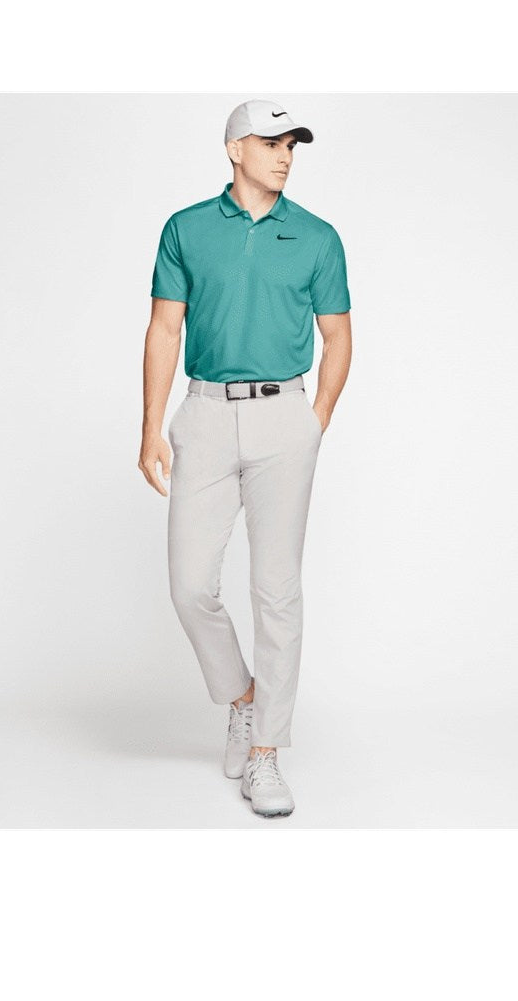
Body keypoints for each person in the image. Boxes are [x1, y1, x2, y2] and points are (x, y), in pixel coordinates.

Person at [139, 99, 352, 817]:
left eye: (292, 144)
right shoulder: (186, 228)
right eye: (270, 142)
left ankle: (265, 751)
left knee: (276, 591)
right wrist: (151, 427)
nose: (285, 155)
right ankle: (242, 697)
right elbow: (164, 330)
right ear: (234, 149)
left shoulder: (317, 236)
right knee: (189, 586)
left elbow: (338, 336)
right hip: (203, 415)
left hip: (283, 417)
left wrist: (314, 421)